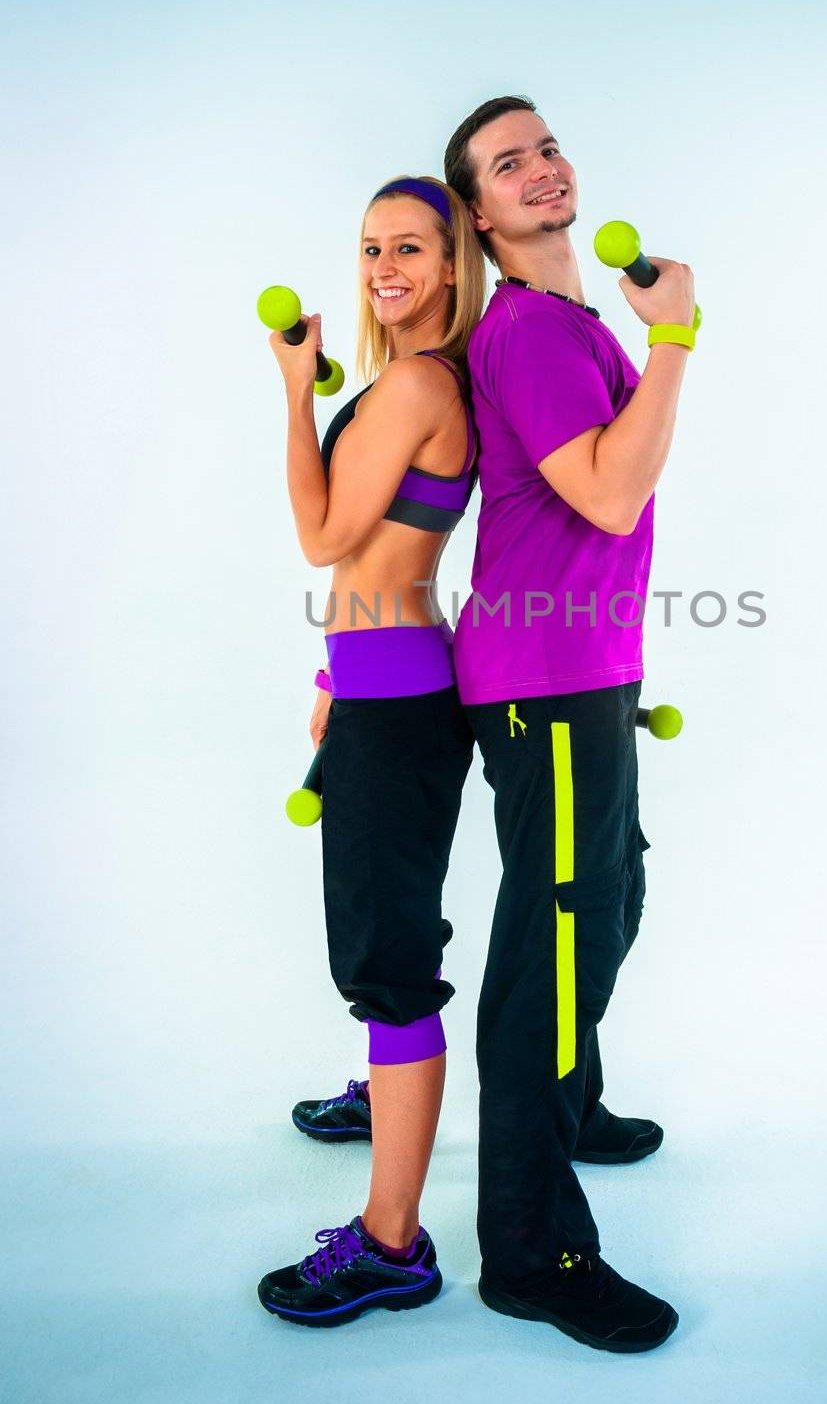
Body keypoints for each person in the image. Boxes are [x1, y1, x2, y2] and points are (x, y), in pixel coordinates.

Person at [443, 97, 697, 1353]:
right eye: (508, 164)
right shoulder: (533, 330)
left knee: (613, 894)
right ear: (480, 216)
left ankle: (569, 1099)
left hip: (579, 669)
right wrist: (676, 343)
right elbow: (606, 493)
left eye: (545, 147)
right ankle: (530, 1250)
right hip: (539, 681)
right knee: (548, 958)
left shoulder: (567, 319)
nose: (540, 169)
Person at [258, 175, 484, 1327]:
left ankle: (393, 1243)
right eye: (368, 248)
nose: (385, 266)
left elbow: (323, 536)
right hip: (380, 686)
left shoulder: (414, 381)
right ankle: (385, 1088)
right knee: (379, 936)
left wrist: (295, 394)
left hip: (397, 708)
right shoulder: (415, 381)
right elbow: (372, 561)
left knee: (390, 960)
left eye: (410, 248)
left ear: (452, 266)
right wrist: (328, 675)